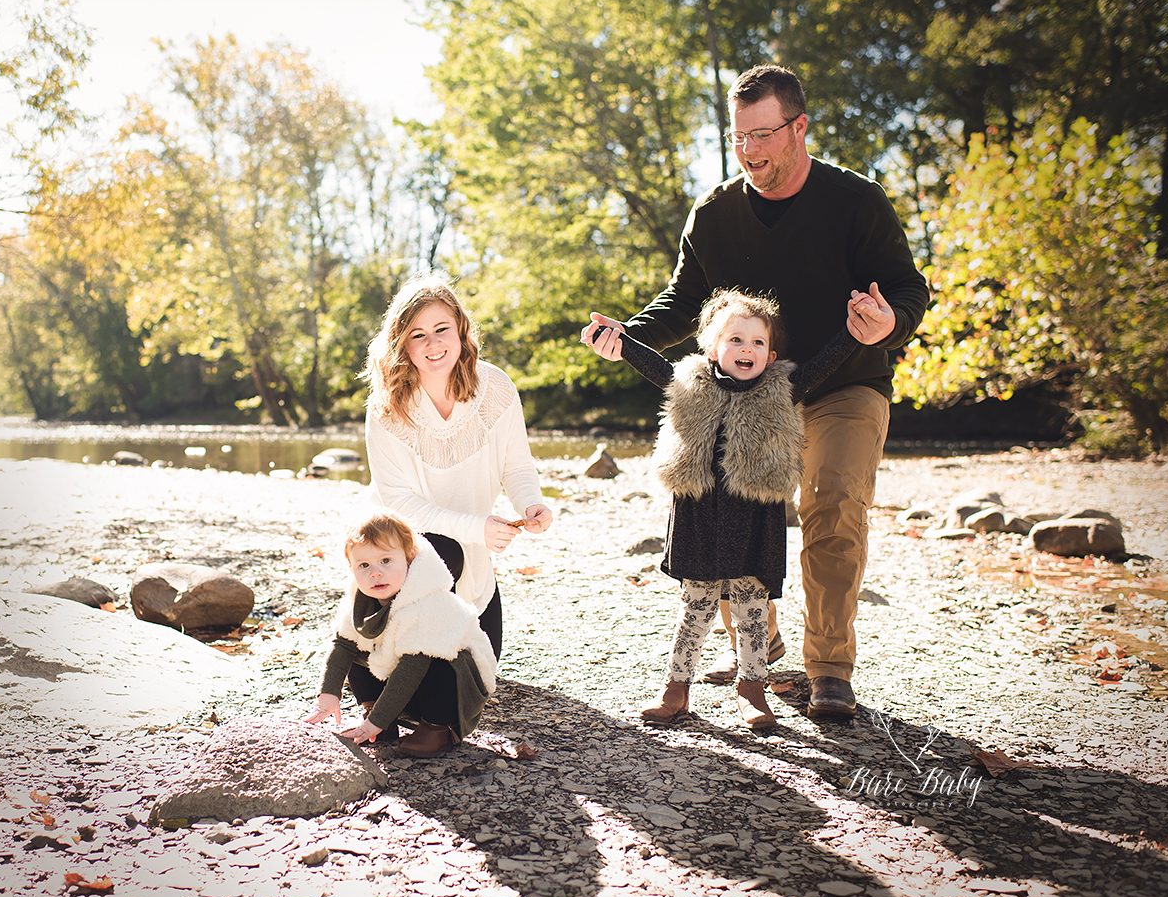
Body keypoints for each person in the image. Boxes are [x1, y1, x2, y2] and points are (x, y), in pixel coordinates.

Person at [581, 64, 930, 718]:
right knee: (713, 511)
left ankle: (829, 670)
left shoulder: (857, 202)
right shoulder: (715, 214)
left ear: (800, 127)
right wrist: (626, 333)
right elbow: (685, 301)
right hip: (741, 396)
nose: (749, 151)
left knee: (831, 502)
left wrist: (888, 322)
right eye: (738, 136)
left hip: (843, 381)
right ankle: (759, 639)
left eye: (763, 134)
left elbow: (909, 289)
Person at [587, 289, 856, 727]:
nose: (746, 349)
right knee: (695, 606)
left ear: (770, 356)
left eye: (757, 343)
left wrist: (854, 331)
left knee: (752, 606)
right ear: (713, 348)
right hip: (698, 514)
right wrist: (616, 336)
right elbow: (652, 364)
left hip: (755, 517)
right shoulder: (688, 383)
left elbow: (826, 361)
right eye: (735, 340)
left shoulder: (781, 389)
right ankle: (676, 689)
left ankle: (751, 690)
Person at [364, 272, 553, 657]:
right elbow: (399, 505)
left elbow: (515, 465)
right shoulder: (385, 408)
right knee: (443, 554)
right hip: (402, 556)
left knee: (482, 672)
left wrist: (529, 502)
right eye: (417, 335)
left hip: (474, 554)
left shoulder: (496, 387)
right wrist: (476, 528)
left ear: (461, 331)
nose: (433, 344)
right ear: (402, 345)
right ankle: (376, 634)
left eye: (441, 329)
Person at [303, 510, 498, 758]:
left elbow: (411, 668)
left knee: (440, 663)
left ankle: (438, 728)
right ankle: (377, 713)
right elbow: (342, 644)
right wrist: (328, 693)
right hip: (403, 689)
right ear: (351, 568)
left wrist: (376, 722)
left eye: (386, 561)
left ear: (409, 558)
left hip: (457, 690)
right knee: (356, 645)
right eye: (364, 565)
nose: (375, 572)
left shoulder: (429, 601)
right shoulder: (360, 601)